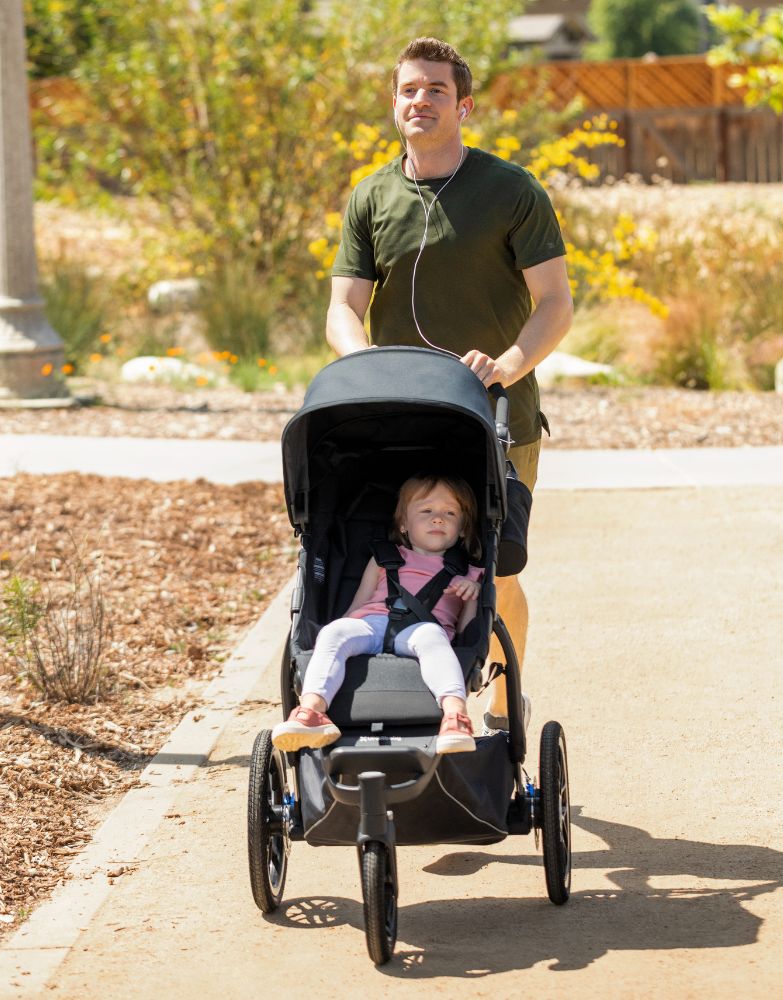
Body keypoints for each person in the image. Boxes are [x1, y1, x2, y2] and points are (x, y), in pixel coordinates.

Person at [325, 36, 573, 734]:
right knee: (399, 556)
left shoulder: (512, 192)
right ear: (394, 103)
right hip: (397, 415)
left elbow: (555, 302)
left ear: (462, 105)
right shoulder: (371, 197)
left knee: (493, 570)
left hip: (498, 414)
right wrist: (363, 364)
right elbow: (343, 309)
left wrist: (510, 363)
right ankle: (407, 697)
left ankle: (502, 701)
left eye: (435, 89)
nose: (419, 100)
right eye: (408, 89)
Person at [273, 474, 484, 754]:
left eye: (450, 512)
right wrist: (333, 633)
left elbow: (468, 631)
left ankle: (455, 715)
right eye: (427, 511)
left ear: (463, 529)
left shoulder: (468, 573)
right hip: (371, 623)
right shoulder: (383, 558)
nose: (438, 519)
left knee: (433, 636)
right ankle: (312, 710)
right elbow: (355, 607)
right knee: (335, 631)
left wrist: (472, 593)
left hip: (422, 630)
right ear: (403, 524)